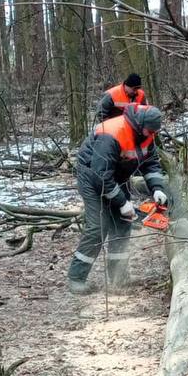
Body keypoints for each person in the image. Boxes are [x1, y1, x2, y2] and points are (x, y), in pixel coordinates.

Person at [68, 104, 169, 294]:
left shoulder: (148, 134)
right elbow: (100, 175)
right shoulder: (112, 133)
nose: (151, 134)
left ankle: (118, 277)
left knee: (123, 224)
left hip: (117, 177)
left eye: (154, 132)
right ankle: (76, 278)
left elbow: (151, 164)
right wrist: (122, 203)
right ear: (140, 125)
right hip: (91, 177)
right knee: (99, 226)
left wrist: (157, 188)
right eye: (149, 130)